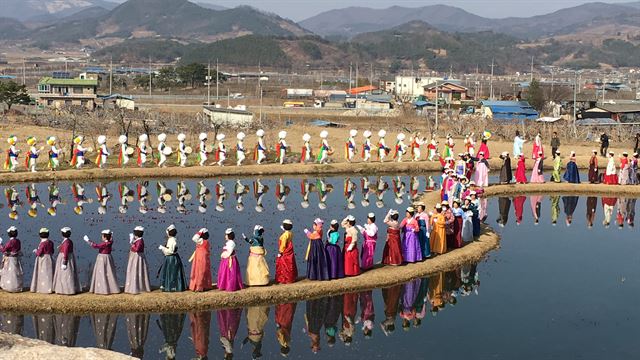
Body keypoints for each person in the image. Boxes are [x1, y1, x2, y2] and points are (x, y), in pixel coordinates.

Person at [84, 229, 120, 295]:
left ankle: (102, 288)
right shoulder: (110, 242)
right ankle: (111, 287)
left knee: (102, 272)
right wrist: (111, 235)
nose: (101, 237)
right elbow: (111, 239)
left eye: (102, 236)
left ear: (105, 237)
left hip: (102, 258)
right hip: (108, 257)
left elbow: (96, 246)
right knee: (109, 272)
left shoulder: (105, 243)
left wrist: (88, 241)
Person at [158, 224, 187, 292]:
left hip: (171, 259)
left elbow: (171, 251)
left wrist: (162, 248)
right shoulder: (171, 239)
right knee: (169, 272)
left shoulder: (172, 240)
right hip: (170, 258)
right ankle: (170, 286)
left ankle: (172, 287)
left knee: (172, 272)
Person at [52, 227, 80, 295]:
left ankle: (65, 289)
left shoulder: (66, 242)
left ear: (62, 234)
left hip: (64, 258)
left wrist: (64, 262)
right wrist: (61, 246)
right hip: (68, 257)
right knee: (65, 273)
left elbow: (66, 252)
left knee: (65, 274)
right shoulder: (68, 241)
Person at [124, 226, 151, 294]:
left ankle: (138, 287)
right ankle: (132, 286)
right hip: (134, 257)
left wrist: (132, 244)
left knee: (137, 270)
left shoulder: (140, 241)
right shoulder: (137, 240)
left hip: (137, 258)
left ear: (136, 234)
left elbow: (137, 249)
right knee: (133, 270)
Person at [30, 227, 54, 293]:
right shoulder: (51, 242)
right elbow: (52, 251)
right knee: (49, 273)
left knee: (43, 273)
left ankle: (43, 288)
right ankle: (51, 287)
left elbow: (39, 253)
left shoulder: (42, 243)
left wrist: (35, 251)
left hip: (43, 259)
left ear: (40, 235)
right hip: (50, 258)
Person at [0, 226, 23, 292]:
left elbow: (4, 250)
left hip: (10, 259)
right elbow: (18, 249)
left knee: (9, 272)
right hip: (16, 259)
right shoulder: (18, 241)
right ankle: (17, 286)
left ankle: (9, 286)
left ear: (9, 234)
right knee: (16, 272)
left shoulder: (10, 242)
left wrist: (0, 244)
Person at [276, 219, 298, 284]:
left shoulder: (285, 235)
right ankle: (291, 278)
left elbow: (283, 244)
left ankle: (285, 278)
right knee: (290, 264)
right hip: (289, 250)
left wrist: (280, 252)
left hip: (285, 251)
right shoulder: (290, 233)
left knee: (284, 265)